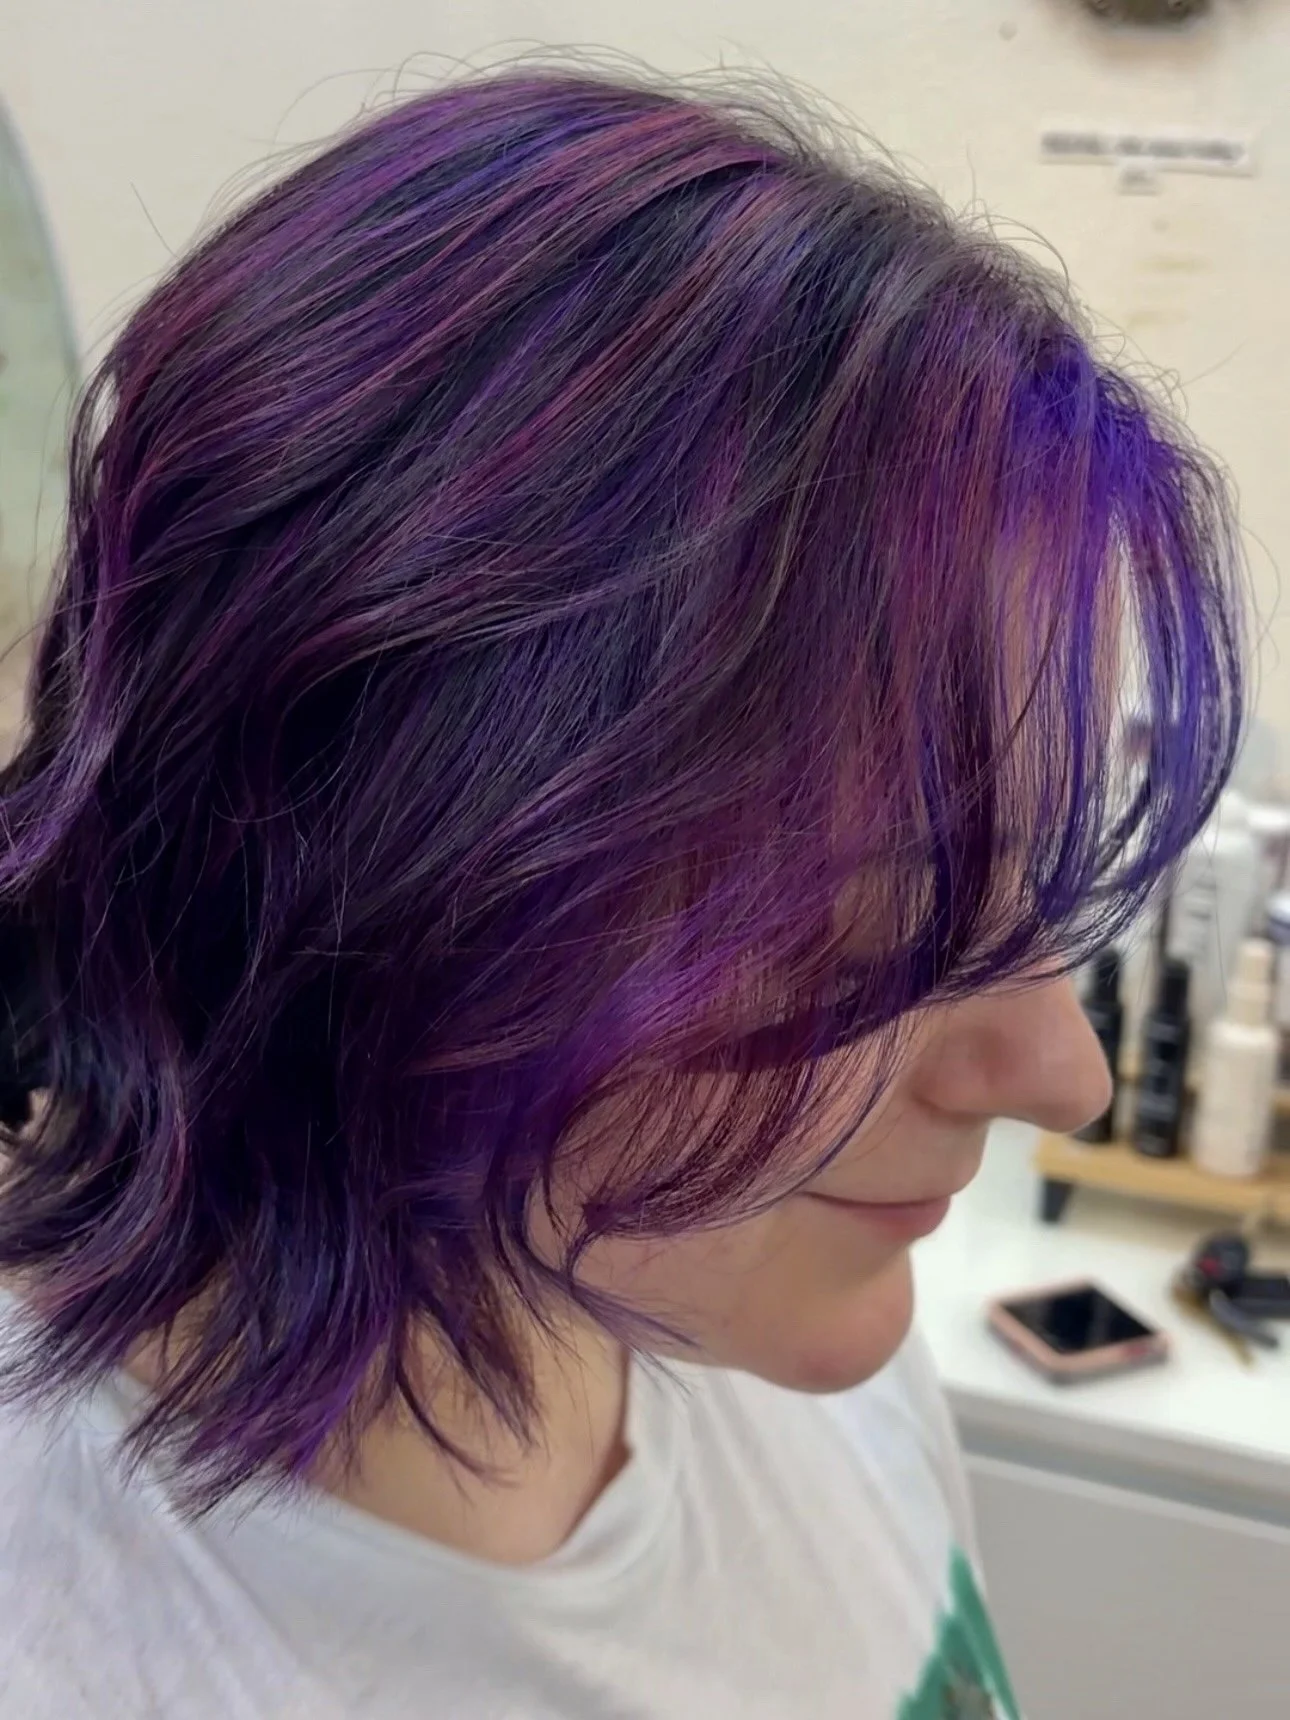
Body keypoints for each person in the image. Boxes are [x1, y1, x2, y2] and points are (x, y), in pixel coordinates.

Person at [0, 66, 1243, 1719]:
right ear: (373, 871)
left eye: (1026, 888)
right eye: (859, 923)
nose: (1063, 1077)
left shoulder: (760, 1304)